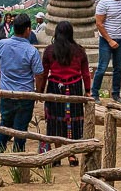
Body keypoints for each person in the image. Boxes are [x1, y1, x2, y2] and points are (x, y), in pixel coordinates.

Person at [36, 21, 90, 166]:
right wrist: (89, 91)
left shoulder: (49, 50)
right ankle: (71, 155)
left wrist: (40, 91)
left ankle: (57, 154)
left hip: (55, 87)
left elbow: (44, 72)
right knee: (73, 121)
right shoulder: (79, 51)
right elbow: (85, 73)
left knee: (55, 121)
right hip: (74, 87)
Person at [0, 13, 44, 152]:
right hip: (25, 94)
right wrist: (38, 92)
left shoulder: (1, 44)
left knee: (5, 123)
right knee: (21, 128)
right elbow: (39, 74)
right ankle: (18, 156)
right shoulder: (32, 51)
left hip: (7, 92)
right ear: (28, 29)